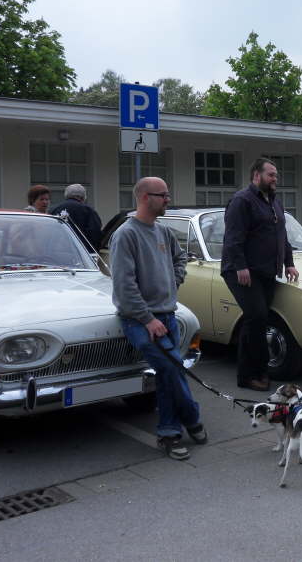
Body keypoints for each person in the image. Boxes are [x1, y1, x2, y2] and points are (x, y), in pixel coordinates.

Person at [110, 176, 206, 460]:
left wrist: (173, 281)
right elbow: (124, 287)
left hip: (168, 315)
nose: (168, 199)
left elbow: (180, 259)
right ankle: (191, 419)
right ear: (144, 197)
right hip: (140, 320)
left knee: (169, 373)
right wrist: (148, 319)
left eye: (167, 194)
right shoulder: (125, 235)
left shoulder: (163, 232)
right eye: (162, 195)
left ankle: (169, 432)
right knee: (170, 369)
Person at [221, 158, 299, 392]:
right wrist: (241, 266)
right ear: (257, 175)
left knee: (256, 320)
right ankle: (249, 375)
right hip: (243, 272)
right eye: (271, 175)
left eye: (276, 175)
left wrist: (289, 263)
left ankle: (256, 371)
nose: (276, 179)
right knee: (256, 317)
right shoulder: (242, 201)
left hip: (266, 272)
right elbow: (233, 238)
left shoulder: (275, 202)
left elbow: (281, 236)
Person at [50, 184, 102, 251]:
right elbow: (95, 232)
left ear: (66, 195)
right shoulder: (88, 211)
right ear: (83, 197)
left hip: (57, 251)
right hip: (80, 252)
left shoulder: (54, 210)